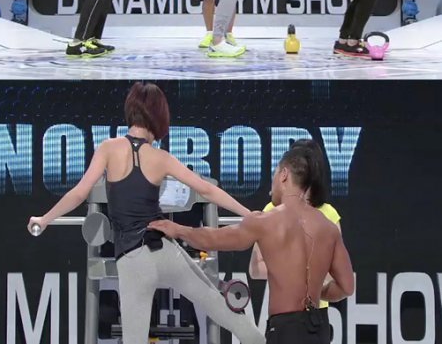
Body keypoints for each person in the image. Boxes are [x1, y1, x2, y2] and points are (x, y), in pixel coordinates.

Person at [27, 82, 265, 344]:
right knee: (221, 308)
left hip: (133, 260)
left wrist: (44, 219)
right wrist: (249, 214)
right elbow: (207, 190)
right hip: (165, 251)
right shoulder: (160, 157)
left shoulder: (108, 148)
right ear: (159, 116)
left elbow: (79, 193)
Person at [150, 146, 354, 344]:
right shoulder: (328, 228)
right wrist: (318, 293)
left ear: (284, 175)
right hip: (319, 328)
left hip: (286, 329)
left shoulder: (267, 221)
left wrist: (178, 230)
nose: (272, 184)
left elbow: (214, 239)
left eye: (275, 174)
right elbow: (346, 287)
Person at [249, 139, 342, 317]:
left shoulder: (329, 214)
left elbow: (336, 273)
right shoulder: (271, 210)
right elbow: (255, 268)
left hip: (316, 314)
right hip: (282, 312)